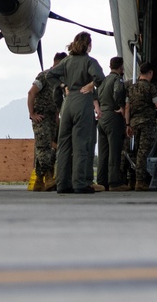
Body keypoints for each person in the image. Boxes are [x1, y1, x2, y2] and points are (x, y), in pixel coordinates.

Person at [55, 32, 105, 194]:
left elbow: (50, 75)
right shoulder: (89, 61)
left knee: (64, 146)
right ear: (88, 45)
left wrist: (64, 86)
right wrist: (91, 85)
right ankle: (79, 183)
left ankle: (62, 184)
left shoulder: (67, 61)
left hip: (67, 104)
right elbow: (100, 77)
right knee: (81, 144)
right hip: (82, 103)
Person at [27, 50, 67, 191]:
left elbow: (57, 98)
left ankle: (39, 179)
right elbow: (31, 93)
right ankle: (48, 176)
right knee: (44, 147)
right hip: (41, 116)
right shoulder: (44, 76)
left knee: (44, 147)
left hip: (51, 117)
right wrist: (32, 114)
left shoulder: (59, 80)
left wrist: (57, 114)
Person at [125, 62, 157, 191]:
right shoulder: (151, 88)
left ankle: (130, 180)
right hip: (147, 123)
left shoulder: (131, 88)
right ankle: (140, 181)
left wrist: (127, 124)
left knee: (135, 150)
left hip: (133, 123)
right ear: (150, 73)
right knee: (144, 152)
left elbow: (127, 107)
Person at [96, 56, 129, 191]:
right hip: (113, 117)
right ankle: (114, 182)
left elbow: (96, 95)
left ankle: (102, 182)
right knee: (114, 151)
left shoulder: (103, 81)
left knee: (103, 153)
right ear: (121, 67)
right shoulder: (117, 79)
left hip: (102, 117)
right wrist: (120, 105)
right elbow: (118, 91)